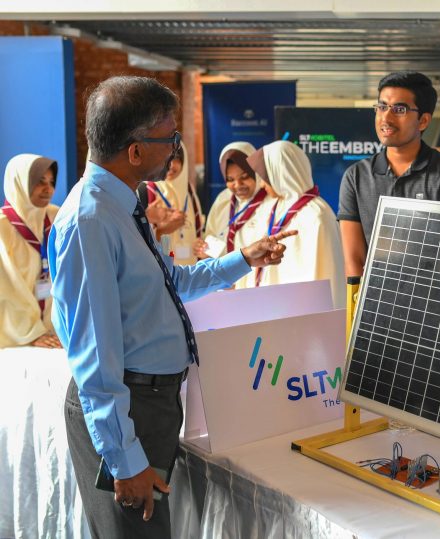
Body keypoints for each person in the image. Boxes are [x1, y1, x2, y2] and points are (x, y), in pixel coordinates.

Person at [49, 76, 295, 538]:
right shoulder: (91, 220)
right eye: (170, 138)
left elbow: (173, 282)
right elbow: (94, 356)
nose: (176, 149)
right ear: (135, 150)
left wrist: (244, 259)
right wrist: (124, 460)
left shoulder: (122, 206)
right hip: (128, 408)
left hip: (150, 404)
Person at [337, 71, 440, 277]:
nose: (386, 117)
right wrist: (355, 297)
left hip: (435, 292)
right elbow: (354, 259)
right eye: (382, 107)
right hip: (376, 292)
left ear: (423, 121)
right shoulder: (356, 177)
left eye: (399, 109)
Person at [238, 140, 345, 308]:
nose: (262, 184)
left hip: (301, 310)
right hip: (271, 306)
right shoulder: (276, 206)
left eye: (266, 177)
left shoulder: (317, 215)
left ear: (281, 173)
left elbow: (324, 275)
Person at [0, 154, 62, 348]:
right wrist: (32, 333)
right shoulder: (3, 227)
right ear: (19, 182)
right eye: (40, 181)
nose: (48, 189)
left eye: (51, 182)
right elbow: (9, 289)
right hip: (16, 334)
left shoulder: (56, 216)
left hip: (52, 329)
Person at [193, 141, 266, 261]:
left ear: (255, 171)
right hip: (225, 272)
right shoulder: (223, 200)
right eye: (230, 179)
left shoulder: (270, 202)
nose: (238, 185)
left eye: (244, 177)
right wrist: (204, 249)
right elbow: (211, 237)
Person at [136, 142, 203, 265]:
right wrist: (157, 225)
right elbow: (135, 239)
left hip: (190, 267)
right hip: (159, 270)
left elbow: (199, 231)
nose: (170, 165)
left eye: (175, 159)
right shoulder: (145, 190)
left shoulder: (188, 190)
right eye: (164, 158)